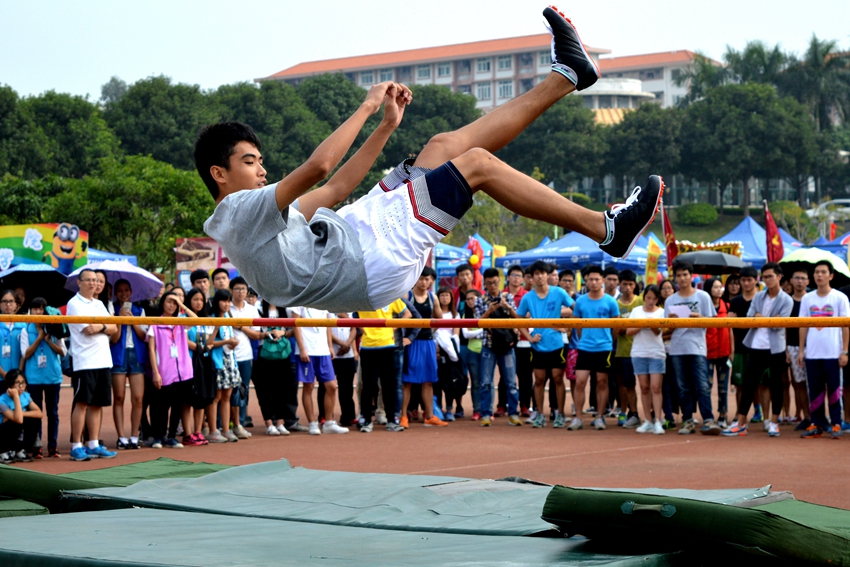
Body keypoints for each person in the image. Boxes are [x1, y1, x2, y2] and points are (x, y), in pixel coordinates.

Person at [198, 7, 663, 316]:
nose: (262, 170)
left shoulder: (257, 222)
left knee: (442, 145)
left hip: (358, 235)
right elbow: (319, 169)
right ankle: (608, 229)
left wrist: (385, 126)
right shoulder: (237, 212)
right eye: (250, 161)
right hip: (366, 257)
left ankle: (567, 75)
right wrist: (365, 107)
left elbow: (335, 190)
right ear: (219, 174)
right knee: (476, 164)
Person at [722, 263, 792, 438]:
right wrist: (765, 319)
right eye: (765, 277)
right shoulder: (759, 297)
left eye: (770, 276)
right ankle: (741, 423)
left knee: (776, 385)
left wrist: (762, 318)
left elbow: (779, 324)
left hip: (776, 348)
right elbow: (750, 318)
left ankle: (774, 422)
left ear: (779, 277)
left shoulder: (786, 300)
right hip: (756, 345)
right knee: (748, 385)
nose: (767, 280)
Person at [66, 269, 118, 461]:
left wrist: (100, 327)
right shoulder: (74, 304)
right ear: (79, 282)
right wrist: (102, 327)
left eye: (95, 280)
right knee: (82, 403)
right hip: (85, 361)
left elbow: (113, 327)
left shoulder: (99, 304)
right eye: (88, 280)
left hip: (103, 360)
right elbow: (87, 329)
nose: (92, 283)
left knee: (97, 404)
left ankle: (93, 443)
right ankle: (76, 445)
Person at [516, 260, 574, 428]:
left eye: (543, 273)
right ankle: (540, 414)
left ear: (548, 275)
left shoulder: (558, 292)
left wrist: (566, 327)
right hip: (538, 344)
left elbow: (575, 308)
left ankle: (560, 414)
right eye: (536, 274)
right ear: (532, 277)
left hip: (556, 344)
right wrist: (529, 336)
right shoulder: (528, 297)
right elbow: (518, 320)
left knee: (557, 378)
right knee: (539, 380)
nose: (540, 276)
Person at [664, 260, 719, 435]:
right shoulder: (670, 300)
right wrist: (672, 322)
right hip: (677, 348)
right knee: (682, 386)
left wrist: (699, 317)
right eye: (678, 275)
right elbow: (666, 329)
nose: (681, 278)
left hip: (697, 347)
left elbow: (712, 322)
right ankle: (687, 420)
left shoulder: (703, 296)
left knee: (702, 385)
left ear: (691, 275)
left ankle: (708, 420)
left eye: (685, 274)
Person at [797, 260, 849, 439]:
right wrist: (801, 351)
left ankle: (836, 424)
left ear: (831, 276)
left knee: (835, 390)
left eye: (823, 272)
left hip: (833, 353)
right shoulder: (807, 299)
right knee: (815, 390)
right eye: (816, 272)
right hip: (812, 353)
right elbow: (802, 326)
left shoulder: (839, 298)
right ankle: (817, 424)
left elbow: (845, 326)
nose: (819, 275)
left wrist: (845, 351)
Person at [569, 265, 620, 430]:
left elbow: (617, 324)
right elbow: (577, 323)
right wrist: (583, 338)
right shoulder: (581, 301)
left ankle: (600, 416)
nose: (593, 282)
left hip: (604, 347)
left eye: (597, 279)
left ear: (602, 280)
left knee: (602, 382)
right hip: (584, 347)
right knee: (580, 382)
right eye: (590, 279)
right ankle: (578, 417)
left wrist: (608, 340)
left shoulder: (610, 301)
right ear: (586, 280)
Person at [147, 291, 197, 448]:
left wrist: (182, 305)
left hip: (184, 371)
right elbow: (151, 349)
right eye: (169, 301)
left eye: (175, 302)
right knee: (160, 406)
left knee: (178, 405)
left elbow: (196, 320)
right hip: (164, 371)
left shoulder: (181, 321)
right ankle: (158, 436)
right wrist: (155, 372)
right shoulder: (155, 322)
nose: (172, 305)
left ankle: (172, 436)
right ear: (162, 303)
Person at [289, 306, 349, 435]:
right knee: (308, 386)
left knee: (332, 386)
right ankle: (312, 423)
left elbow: (327, 325)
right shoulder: (300, 300)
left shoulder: (322, 300)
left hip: (323, 350)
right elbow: (296, 325)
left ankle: (328, 422)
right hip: (307, 349)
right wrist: (302, 348)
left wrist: (329, 347)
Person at [474, 268, 522, 427]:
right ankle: (486, 414)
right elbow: (477, 323)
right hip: (489, 344)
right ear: (485, 284)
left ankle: (514, 413)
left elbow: (518, 319)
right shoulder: (480, 300)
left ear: (499, 281)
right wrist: (489, 310)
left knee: (511, 382)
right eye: (489, 284)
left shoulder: (508, 297)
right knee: (485, 382)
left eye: (495, 282)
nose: (493, 286)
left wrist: (507, 306)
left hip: (507, 345)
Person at [401, 267, 448, 428]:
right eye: (421, 278)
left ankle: (429, 416)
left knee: (428, 381)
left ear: (431, 281)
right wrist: (406, 337)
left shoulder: (432, 297)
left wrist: (429, 331)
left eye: (427, 279)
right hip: (412, 343)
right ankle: (403, 416)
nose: (424, 282)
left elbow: (439, 319)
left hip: (427, 342)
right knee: (407, 382)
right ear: (416, 279)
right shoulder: (407, 295)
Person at [19, 297, 66, 458]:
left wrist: (49, 341)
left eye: (41, 309)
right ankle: (36, 446)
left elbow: (63, 352)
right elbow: (25, 354)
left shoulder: (54, 326)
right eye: (35, 309)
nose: (38, 312)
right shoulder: (26, 329)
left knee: (53, 412)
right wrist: (39, 337)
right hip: (33, 378)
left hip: (53, 377)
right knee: (35, 412)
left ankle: (53, 445)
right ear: (30, 311)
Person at [356, 300, 409, 433]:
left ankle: (391, 420)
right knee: (368, 386)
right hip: (368, 346)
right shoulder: (361, 296)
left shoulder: (391, 295)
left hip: (387, 346)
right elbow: (344, 313)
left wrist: (392, 328)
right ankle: (367, 420)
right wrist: (360, 327)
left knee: (388, 385)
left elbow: (407, 314)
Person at [109, 279, 148, 450]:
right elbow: (115, 338)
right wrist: (119, 319)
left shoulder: (140, 310)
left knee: (138, 398)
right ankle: (121, 437)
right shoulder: (112, 310)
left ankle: (134, 435)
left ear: (131, 292)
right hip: (118, 355)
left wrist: (132, 320)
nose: (123, 294)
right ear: (115, 293)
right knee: (119, 397)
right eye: (119, 291)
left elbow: (143, 336)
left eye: (126, 290)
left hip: (137, 356)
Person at [626, 285, 666, 435]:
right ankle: (647, 420)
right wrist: (643, 323)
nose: (650, 301)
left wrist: (652, 324)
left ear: (658, 299)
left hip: (656, 353)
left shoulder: (661, 312)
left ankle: (657, 420)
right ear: (644, 297)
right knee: (643, 387)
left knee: (656, 387)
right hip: (639, 353)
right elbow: (629, 331)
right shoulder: (636, 312)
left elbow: (658, 332)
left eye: (654, 298)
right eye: (648, 298)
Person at [229, 277, 261, 434]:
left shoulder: (252, 310)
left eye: (243, 289)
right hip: (228, 356)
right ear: (231, 291)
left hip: (246, 356)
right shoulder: (227, 308)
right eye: (237, 289)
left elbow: (256, 335)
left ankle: (240, 423)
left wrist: (241, 326)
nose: (241, 292)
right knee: (228, 391)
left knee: (243, 390)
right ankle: (227, 423)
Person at [207, 289, 240, 443]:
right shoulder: (212, 318)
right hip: (217, 362)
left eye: (228, 301)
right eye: (224, 301)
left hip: (230, 360)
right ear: (217, 302)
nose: (227, 304)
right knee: (216, 396)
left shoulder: (228, 317)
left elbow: (228, 338)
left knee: (227, 396)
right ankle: (213, 430)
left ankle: (226, 429)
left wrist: (232, 343)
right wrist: (227, 341)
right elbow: (209, 342)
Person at [184, 288, 215, 445]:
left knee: (201, 397)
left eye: (201, 300)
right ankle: (188, 432)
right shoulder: (183, 318)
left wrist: (216, 327)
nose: (199, 302)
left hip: (202, 363)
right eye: (195, 299)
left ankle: (198, 431)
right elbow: (183, 339)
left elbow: (209, 341)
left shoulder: (206, 320)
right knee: (188, 399)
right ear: (189, 301)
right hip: (188, 362)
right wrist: (198, 347)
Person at [729, 267, 759, 421]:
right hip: (740, 347)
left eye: (749, 280)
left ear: (756, 280)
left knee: (760, 383)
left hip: (758, 347)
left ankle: (760, 411)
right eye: (743, 280)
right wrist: (732, 350)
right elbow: (731, 327)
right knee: (739, 383)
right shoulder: (735, 301)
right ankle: (739, 413)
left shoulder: (761, 299)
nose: (746, 283)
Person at [613, 270, 642, 428]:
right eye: (625, 284)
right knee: (624, 384)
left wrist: (625, 328)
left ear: (635, 285)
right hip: (621, 350)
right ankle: (627, 412)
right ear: (620, 285)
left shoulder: (641, 301)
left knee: (645, 384)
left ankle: (645, 413)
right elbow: (615, 329)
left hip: (640, 349)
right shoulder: (615, 304)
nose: (628, 287)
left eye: (631, 284)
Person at [705, 277, 734, 428]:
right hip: (708, 353)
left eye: (720, 287)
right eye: (715, 287)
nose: (719, 290)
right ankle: (708, 416)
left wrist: (732, 351)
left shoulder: (727, 307)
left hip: (724, 352)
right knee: (707, 386)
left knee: (723, 387)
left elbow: (730, 331)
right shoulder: (704, 307)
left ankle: (723, 415)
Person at [505, 265, 532, 417]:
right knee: (505, 376)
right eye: (513, 275)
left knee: (525, 376)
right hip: (504, 341)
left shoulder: (527, 296)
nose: (516, 278)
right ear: (508, 277)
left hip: (524, 340)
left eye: (519, 276)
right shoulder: (501, 295)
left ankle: (525, 406)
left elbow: (528, 316)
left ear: (523, 279)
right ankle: (503, 405)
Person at [786, 269, 811, 429]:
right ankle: (806, 417)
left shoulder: (812, 300)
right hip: (792, 346)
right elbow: (783, 328)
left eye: (803, 278)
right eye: (797, 278)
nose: (800, 281)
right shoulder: (787, 302)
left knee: (816, 383)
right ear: (791, 281)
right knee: (798, 384)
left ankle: (819, 416)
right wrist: (786, 350)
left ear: (808, 281)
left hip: (814, 346)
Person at [0, 370, 43, 464]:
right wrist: (15, 397)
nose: (21, 387)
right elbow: (18, 420)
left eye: (23, 383)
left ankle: (19, 449)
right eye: (17, 383)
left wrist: (20, 413)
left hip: (17, 428)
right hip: (3, 432)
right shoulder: (2, 400)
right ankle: (3, 451)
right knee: (14, 422)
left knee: (34, 420)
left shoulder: (25, 396)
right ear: (10, 384)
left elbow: (39, 413)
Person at [435, 286, 463, 421]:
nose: (445, 298)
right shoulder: (434, 313)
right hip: (437, 351)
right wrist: (437, 350)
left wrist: (451, 351)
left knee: (450, 382)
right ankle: (438, 409)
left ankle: (450, 409)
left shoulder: (455, 315)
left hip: (451, 352)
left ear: (451, 298)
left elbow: (456, 335)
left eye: (447, 295)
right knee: (438, 382)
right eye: (442, 295)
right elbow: (433, 333)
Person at [328, 312, 358, 428]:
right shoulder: (326, 309)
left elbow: (354, 328)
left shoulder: (350, 309)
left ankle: (348, 416)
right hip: (331, 354)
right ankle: (325, 416)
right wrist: (342, 344)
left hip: (348, 353)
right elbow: (327, 330)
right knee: (326, 386)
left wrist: (348, 344)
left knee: (347, 387)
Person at [658, 279, 678, 429]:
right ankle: (668, 416)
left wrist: (664, 335)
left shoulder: (677, 307)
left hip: (676, 351)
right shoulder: (657, 309)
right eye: (664, 288)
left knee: (679, 384)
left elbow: (677, 330)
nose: (666, 291)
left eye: (669, 288)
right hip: (660, 352)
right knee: (664, 386)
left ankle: (686, 415)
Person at [461, 289, 483, 420]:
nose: (470, 301)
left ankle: (487, 410)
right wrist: (482, 330)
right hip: (472, 351)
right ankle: (477, 410)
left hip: (487, 351)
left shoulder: (486, 313)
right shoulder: (466, 316)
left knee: (487, 382)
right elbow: (466, 334)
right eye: (468, 299)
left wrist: (476, 332)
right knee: (475, 382)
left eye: (472, 298)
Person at [0, 290, 25, 380]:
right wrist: (3, 373)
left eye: (11, 301)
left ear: (16, 304)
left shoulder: (24, 326)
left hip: (19, 378)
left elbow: (24, 353)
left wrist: (19, 373)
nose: (8, 304)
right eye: (4, 301)